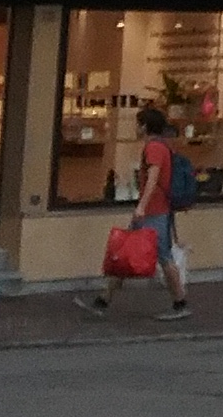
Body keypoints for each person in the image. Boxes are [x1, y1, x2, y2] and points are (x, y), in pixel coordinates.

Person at [75, 107, 188, 320]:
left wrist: (142, 206)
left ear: (144, 126)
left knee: (163, 258)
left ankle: (180, 303)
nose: (136, 128)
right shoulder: (161, 146)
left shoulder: (154, 148)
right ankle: (103, 300)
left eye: (138, 124)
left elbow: (153, 178)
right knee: (125, 252)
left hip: (154, 212)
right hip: (154, 211)